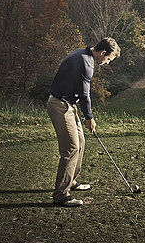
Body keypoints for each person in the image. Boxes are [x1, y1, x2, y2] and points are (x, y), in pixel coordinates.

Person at [47, 37, 121, 207]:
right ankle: (61, 195)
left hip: (69, 105)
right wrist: (89, 117)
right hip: (60, 105)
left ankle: (71, 181)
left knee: (80, 141)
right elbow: (85, 95)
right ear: (103, 53)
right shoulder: (86, 62)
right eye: (108, 59)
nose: (107, 63)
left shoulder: (83, 53)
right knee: (71, 148)